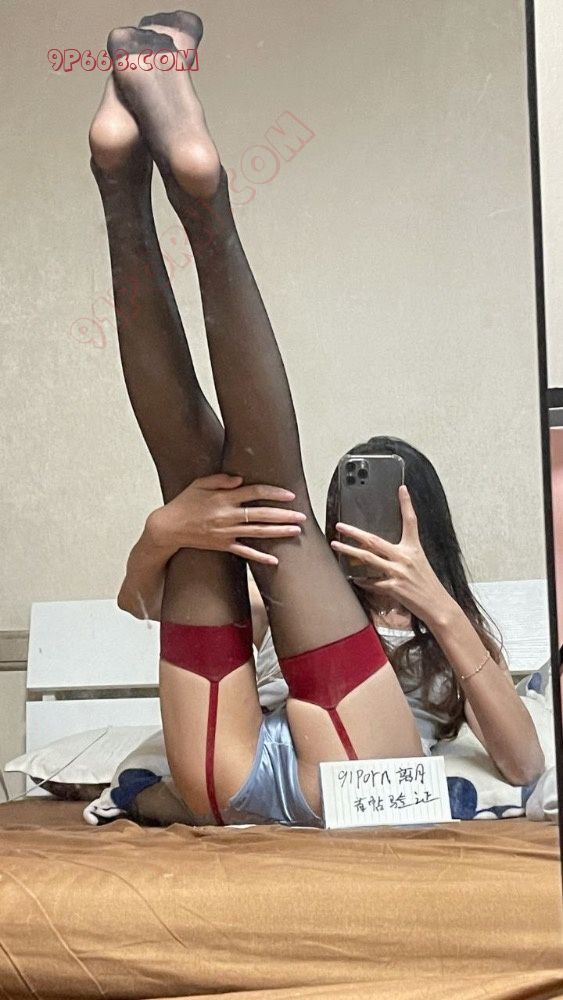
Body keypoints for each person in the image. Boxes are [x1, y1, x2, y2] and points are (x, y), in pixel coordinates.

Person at [89, 11, 544, 828]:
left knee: (240, 486)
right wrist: (165, 531)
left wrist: (434, 603)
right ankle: (142, 177)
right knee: (231, 500)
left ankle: (128, 183)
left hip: (311, 786)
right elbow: (140, 603)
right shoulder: (283, 600)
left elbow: (523, 764)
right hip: (252, 768)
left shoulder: (453, 633)